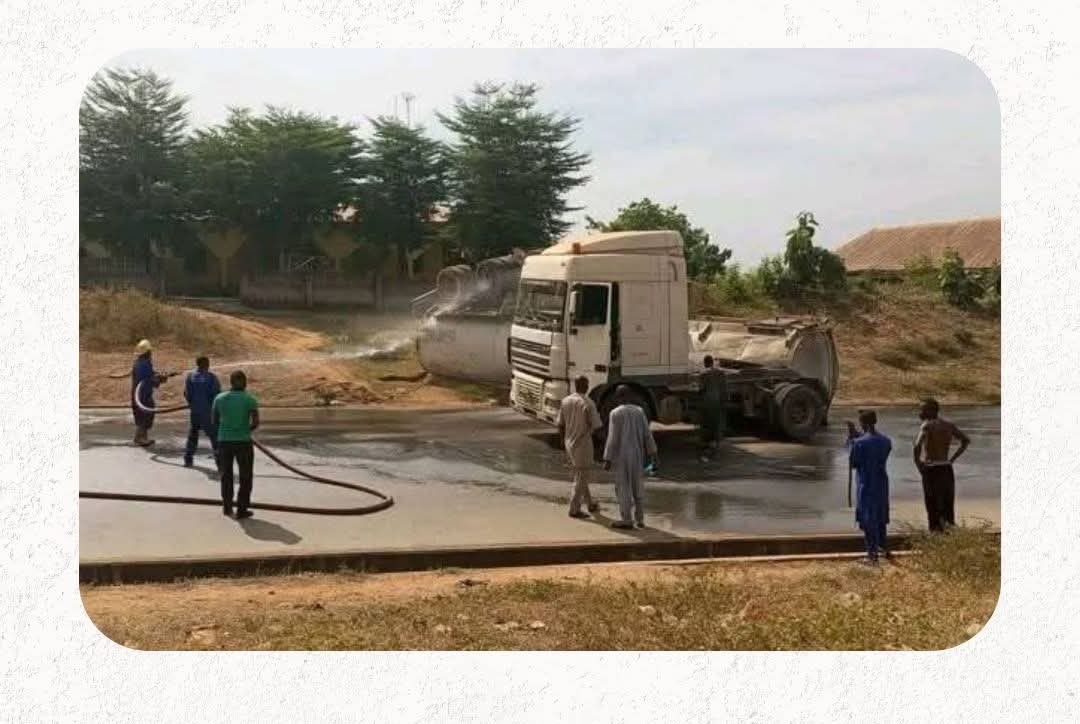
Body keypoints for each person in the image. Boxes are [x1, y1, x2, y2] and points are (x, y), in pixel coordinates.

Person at [602, 385, 658, 529]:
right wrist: (653, 453)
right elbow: (647, 434)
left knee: (623, 487)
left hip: (621, 456)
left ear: (618, 397)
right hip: (638, 455)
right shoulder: (639, 412)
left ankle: (626, 519)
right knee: (637, 486)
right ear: (630, 396)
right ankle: (640, 519)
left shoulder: (615, 413)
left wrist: (607, 458)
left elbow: (612, 438)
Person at [913, 397, 971, 532]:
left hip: (931, 468)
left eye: (922, 409)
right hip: (946, 467)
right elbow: (965, 441)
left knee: (932, 504)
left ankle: (935, 535)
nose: (920, 412)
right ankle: (948, 533)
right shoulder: (949, 425)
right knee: (947, 503)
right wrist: (952, 460)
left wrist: (918, 464)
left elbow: (917, 446)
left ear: (931, 410)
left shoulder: (927, 425)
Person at [212, 370, 260, 519]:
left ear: (231, 382)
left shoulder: (219, 399)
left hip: (224, 442)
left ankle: (227, 508)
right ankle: (242, 509)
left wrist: (226, 429)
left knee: (226, 475)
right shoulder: (250, 399)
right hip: (243, 442)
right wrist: (245, 430)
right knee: (245, 476)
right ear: (245, 382)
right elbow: (256, 422)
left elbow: (214, 421)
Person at [848, 409, 892, 564]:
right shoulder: (886, 440)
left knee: (867, 519)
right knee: (880, 516)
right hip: (881, 483)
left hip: (866, 484)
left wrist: (851, 441)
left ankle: (871, 554)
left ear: (862, 423)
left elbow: (853, 463)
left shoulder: (859, 443)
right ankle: (883, 547)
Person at [556, 376, 603, 519]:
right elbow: (597, 425)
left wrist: (564, 442)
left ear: (575, 385)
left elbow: (560, 424)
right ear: (587, 386)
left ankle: (590, 504)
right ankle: (574, 508)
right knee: (581, 476)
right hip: (582, 444)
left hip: (569, 443)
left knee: (580, 474)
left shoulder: (566, 401)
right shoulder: (588, 403)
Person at [183, 355, 221, 468]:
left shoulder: (190, 376)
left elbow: (187, 394)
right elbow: (216, 395)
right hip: (208, 412)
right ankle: (220, 463)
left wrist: (192, 404)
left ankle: (188, 459)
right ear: (206, 364)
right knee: (215, 436)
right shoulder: (211, 378)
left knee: (193, 434)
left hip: (195, 412)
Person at [130, 339, 166, 447]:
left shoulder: (140, 362)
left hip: (140, 394)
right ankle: (140, 438)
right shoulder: (144, 364)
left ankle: (141, 437)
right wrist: (159, 380)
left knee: (142, 416)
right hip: (142, 395)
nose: (151, 353)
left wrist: (158, 375)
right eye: (150, 351)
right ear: (147, 352)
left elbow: (150, 375)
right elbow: (147, 380)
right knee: (145, 415)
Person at [698, 355, 727, 461]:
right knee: (717, 423)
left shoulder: (703, 374)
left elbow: (701, 389)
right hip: (718, 401)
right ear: (712, 362)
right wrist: (724, 402)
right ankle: (717, 446)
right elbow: (724, 389)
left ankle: (707, 446)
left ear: (705, 363)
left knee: (707, 424)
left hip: (708, 402)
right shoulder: (721, 373)